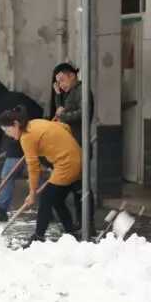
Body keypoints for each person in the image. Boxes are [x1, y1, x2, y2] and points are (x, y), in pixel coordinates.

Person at [0, 107, 81, 248]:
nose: (8, 135)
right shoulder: (35, 123)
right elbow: (64, 127)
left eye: (7, 130)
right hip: (76, 157)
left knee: (47, 197)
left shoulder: (26, 137)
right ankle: (70, 232)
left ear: (16, 124)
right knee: (57, 199)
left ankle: (38, 237)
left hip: (66, 164)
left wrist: (32, 193)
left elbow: (33, 167)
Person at [0, 75, 45, 222]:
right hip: (33, 140)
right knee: (36, 177)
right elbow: (39, 110)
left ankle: (1, 209)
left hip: (16, 146)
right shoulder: (17, 96)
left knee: (8, 175)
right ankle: (48, 208)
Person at [51, 62, 95, 231]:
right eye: (58, 82)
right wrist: (57, 95)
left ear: (71, 75)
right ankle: (81, 221)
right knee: (77, 186)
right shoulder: (70, 93)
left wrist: (63, 117)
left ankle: (87, 223)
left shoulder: (82, 91)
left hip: (80, 144)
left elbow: (82, 114)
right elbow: (62, 110)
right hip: (72, 145)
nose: (61, 85)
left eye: (62, 80)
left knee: (82, 187)